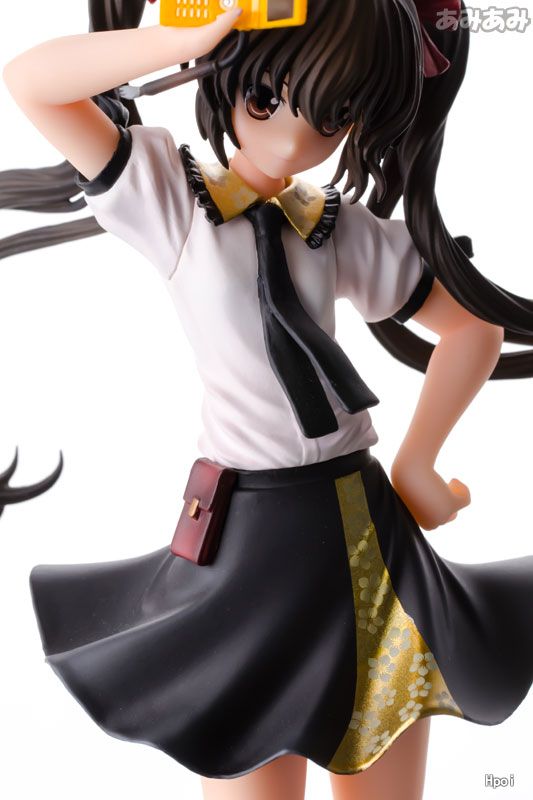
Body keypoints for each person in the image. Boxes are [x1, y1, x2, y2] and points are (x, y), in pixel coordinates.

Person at [2, 2, 532, 799]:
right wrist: (186, 37)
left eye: (332, 116)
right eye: (266, 98)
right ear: (231, 76)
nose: (291, 139)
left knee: (384, 736)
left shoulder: (338, 231)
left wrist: (418, 460)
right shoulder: (170, 202)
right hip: (246, 532)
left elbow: (471, 327)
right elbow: (33, 82)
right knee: (249, 753)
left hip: (362, 529)